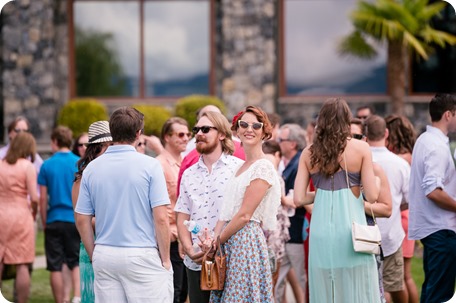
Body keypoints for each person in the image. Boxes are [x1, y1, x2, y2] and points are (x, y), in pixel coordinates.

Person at [75, 107, 173, 302]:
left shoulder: (92, 168)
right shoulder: (150, 165)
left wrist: (94, 253)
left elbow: (81, 218)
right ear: (138, 134)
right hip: (141, 253)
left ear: (112, 131)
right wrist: (165, 259)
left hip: (105, 253)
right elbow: (161, 218)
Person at [294, 97, 380, 302]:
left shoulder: (308, 153)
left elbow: (298, 198)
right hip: (351, 232)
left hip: (321, 233)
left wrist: (323, 195)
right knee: (355, 289)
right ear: (346, 121)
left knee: (327, 289)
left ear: (321, 122)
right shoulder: (361, 149)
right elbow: (373, 196)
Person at [208, 105, 281, 303]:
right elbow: (227, 210)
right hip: (230, 239)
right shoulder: (241, 167)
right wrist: (216, 239)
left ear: (264, 132)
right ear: (237, 130)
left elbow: (244, 215)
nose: (250, 129)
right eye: (244, 124)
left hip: (245, 241)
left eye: (256, 125)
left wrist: (219, 240)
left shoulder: (263, 166)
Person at [175, 111, 243, 303]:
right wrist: (189, 249)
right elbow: (182, 215)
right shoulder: (189, 174)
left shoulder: (238, 169)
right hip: (197, 261)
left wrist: (215, 244)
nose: (199, 134)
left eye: (205, 129)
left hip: (230, 259)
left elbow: (243, 214)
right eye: (196, 129)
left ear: (222, 134)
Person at [408, 93, 456, 303]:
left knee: (432, 290)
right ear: (448, 114)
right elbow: (432, 190)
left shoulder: (425, 140)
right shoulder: (436, 146)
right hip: (440, 229)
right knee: (440, 294)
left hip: (433, 228)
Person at [365, 115, 409, 303]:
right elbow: (408, 200)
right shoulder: (400, 164)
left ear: (365, 135)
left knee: (371, 286)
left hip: (364, 234)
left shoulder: (358, 161)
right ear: (386, 133)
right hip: (391, 233)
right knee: (395, 285)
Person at [351, 117, 392, 303]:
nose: (351, 140)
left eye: (356, 136)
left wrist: (358, 205)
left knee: (370, 294)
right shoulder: (334, 169)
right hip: (337, 240)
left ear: (365, 139)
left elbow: (386, 208)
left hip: (365, 241)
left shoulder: (374, 169)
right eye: (347, 136)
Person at [38, 126, 81, 303]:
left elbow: (42, 198)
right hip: (74, 219)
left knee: (55, 265)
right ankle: (77, 297)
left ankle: (60, 300)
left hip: (54, 218)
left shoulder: (46, 165)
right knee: (75, 261)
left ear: (55, 141)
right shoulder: (79, 162)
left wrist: (44, 220)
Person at [71, 121, 112, 303]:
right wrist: (114, 219)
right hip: (92, 246)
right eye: (109, 146)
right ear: (97, 148)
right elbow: (81, 220)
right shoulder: (82, 179)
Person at [0, 132, 39, 303]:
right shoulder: (27, 166)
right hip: (21, 214)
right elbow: (35, 197)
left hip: (1, 213)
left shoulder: (0, 165)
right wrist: (34, 212)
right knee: (22, 262)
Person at [156, 117, 191, 303]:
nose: (186, 138)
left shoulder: (187, 162)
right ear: (167, 137)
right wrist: (169, 231)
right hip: (170, 236)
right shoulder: (159, 165)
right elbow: (158, 205)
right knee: (173, 291)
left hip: (187, 236)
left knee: (185, 289)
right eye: (180, 134)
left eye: (188, 134)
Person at [385, 114, 419, 303]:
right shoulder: (411, 156)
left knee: (402, 277)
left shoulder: (400, 159)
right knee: (404, 276)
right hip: (406, 216)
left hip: (400, 216)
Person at [275, 123, 307, 303]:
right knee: (279, 276)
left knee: (301, 277)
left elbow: (297, 199)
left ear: (293, 143)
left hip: (297, 230)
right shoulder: (292, 163)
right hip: (289, 231)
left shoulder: (299, 164)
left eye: (282, 139)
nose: (278, 142)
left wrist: (277, 196)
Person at [261, 140, 291, 295]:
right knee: (272, 278)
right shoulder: (275, 175)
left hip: (260, 231)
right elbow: (284, 201)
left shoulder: (257, 170)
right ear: (277, 155)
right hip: (274, 232)